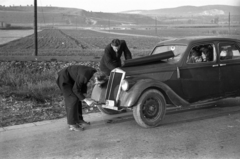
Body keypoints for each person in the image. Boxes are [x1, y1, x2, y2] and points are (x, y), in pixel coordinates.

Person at [56, 65, 98, 131]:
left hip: (72, 79)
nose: (96, 84)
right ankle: (72, 124)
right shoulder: (84, 76)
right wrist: (86, 100)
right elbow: (76, 89)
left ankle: (79, 119)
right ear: (96, 78)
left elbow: (83, 83)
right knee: (72, 99)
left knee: (78, 98)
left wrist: (84, 96)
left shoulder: (93, 72)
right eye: (97, 82)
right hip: (64, 79)